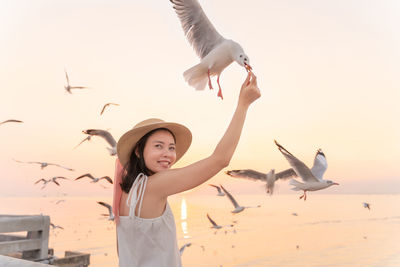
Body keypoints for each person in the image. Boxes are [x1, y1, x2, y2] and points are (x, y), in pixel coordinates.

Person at [112, 71, 260, 267]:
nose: (167, 154)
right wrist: (243, 105)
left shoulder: (125, 192)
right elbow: (220, 159)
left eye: (171, 147)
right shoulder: (153, 186)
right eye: (158, 146)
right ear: (138, 151)